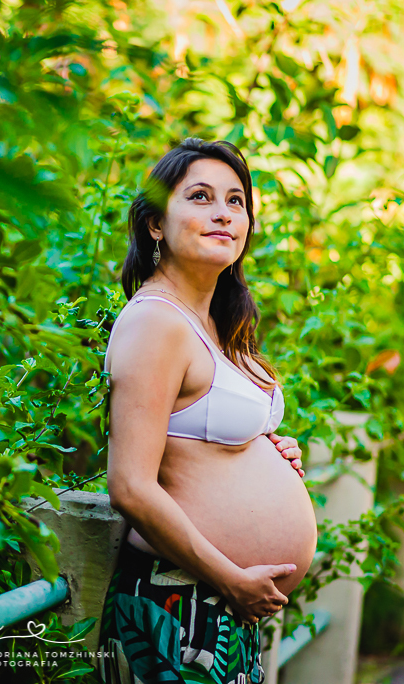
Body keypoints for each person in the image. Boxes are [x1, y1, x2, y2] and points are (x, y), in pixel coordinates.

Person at [97, 139, 318, 684]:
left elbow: (198, 438)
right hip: (181, 603)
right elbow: (130, 485)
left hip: (218, 607)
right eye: (200, 196)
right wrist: (231, 579)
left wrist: (265, 451)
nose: (224, 212)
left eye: (236, 200)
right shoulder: (156, 323)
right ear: (155, 225)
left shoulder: (214, 323)